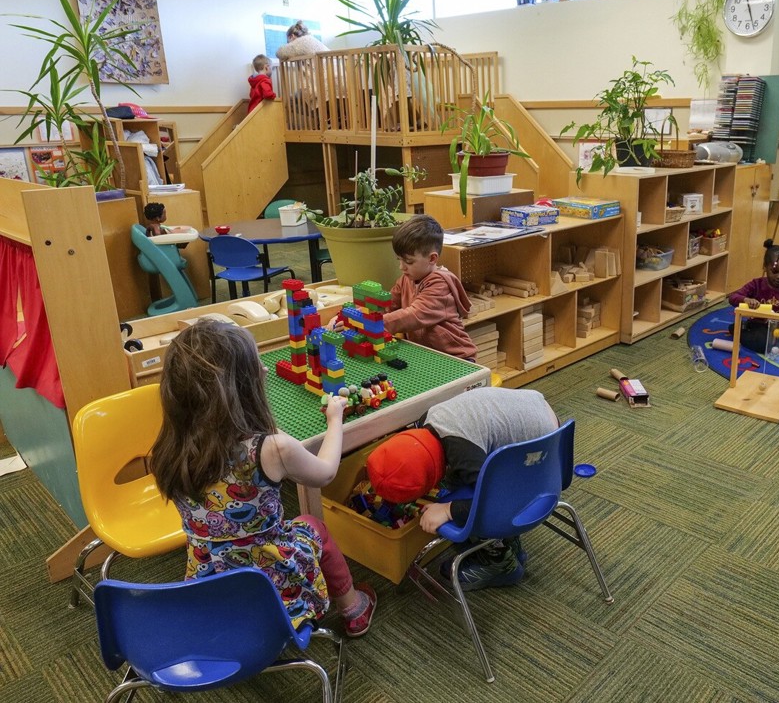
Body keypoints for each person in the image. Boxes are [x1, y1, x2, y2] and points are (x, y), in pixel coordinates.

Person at [149, 320, 378, 635]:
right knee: (313, 526)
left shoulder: (168, 448)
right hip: (276, 586)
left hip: (212, 586)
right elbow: (325, 472)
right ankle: (353, 608)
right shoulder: (272, 448)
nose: (266, 369)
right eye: (256, 365)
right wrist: (335, 419)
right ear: (240, 387)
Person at [365, 386, 559, 590]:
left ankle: (500, 564)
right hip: (538, 410)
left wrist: (448, 510)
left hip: (542, 451)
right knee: (461, 483)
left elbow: (493, 502)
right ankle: (509, 541)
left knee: (473, 500)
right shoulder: (427, 420)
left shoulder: (463, 453)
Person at [381, 214, 477, 361]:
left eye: (408, 261)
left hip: (456, 358)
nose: (401, 267)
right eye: (399, 260)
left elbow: (415, 315)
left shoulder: (440, 285)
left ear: (432, 258)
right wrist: (362, 315)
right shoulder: (406, 279)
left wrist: (376, 324)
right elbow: (388, 304)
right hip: (427, 355)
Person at [727, 239, 779, 354]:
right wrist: (746, 300)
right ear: (765, 267)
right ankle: (738, 328)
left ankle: (778, 340)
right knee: (762, 344)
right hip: (759, 325)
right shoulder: (756, 284)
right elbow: (733, 298)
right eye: (774, 271)